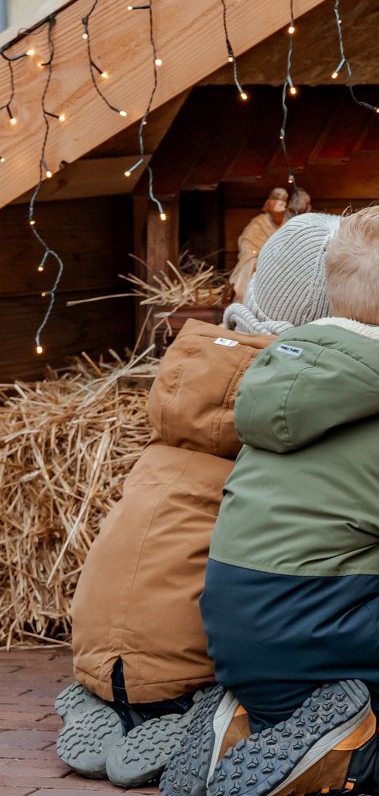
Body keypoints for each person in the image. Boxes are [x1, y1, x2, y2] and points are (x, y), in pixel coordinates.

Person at [181, 199, 379, 796]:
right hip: (321, 633)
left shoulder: (293, 380)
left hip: (234, 630)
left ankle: (249, 725)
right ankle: (368, 752)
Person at [61, 215, 341, 790]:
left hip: (96, 633)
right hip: (190, 655)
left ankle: (105, 698)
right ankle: (191, 710)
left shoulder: (199, 368)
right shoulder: (289, 395)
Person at [231, 188, 292, 304]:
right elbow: (246, 242)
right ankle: (245, 303)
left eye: (283, 205)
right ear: (269, 205)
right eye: (277, 205)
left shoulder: (287, 223)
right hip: (260, 260)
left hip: (281, 262)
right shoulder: (258, 222)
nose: (279, 212)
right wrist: (258, 256)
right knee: (250, 262)